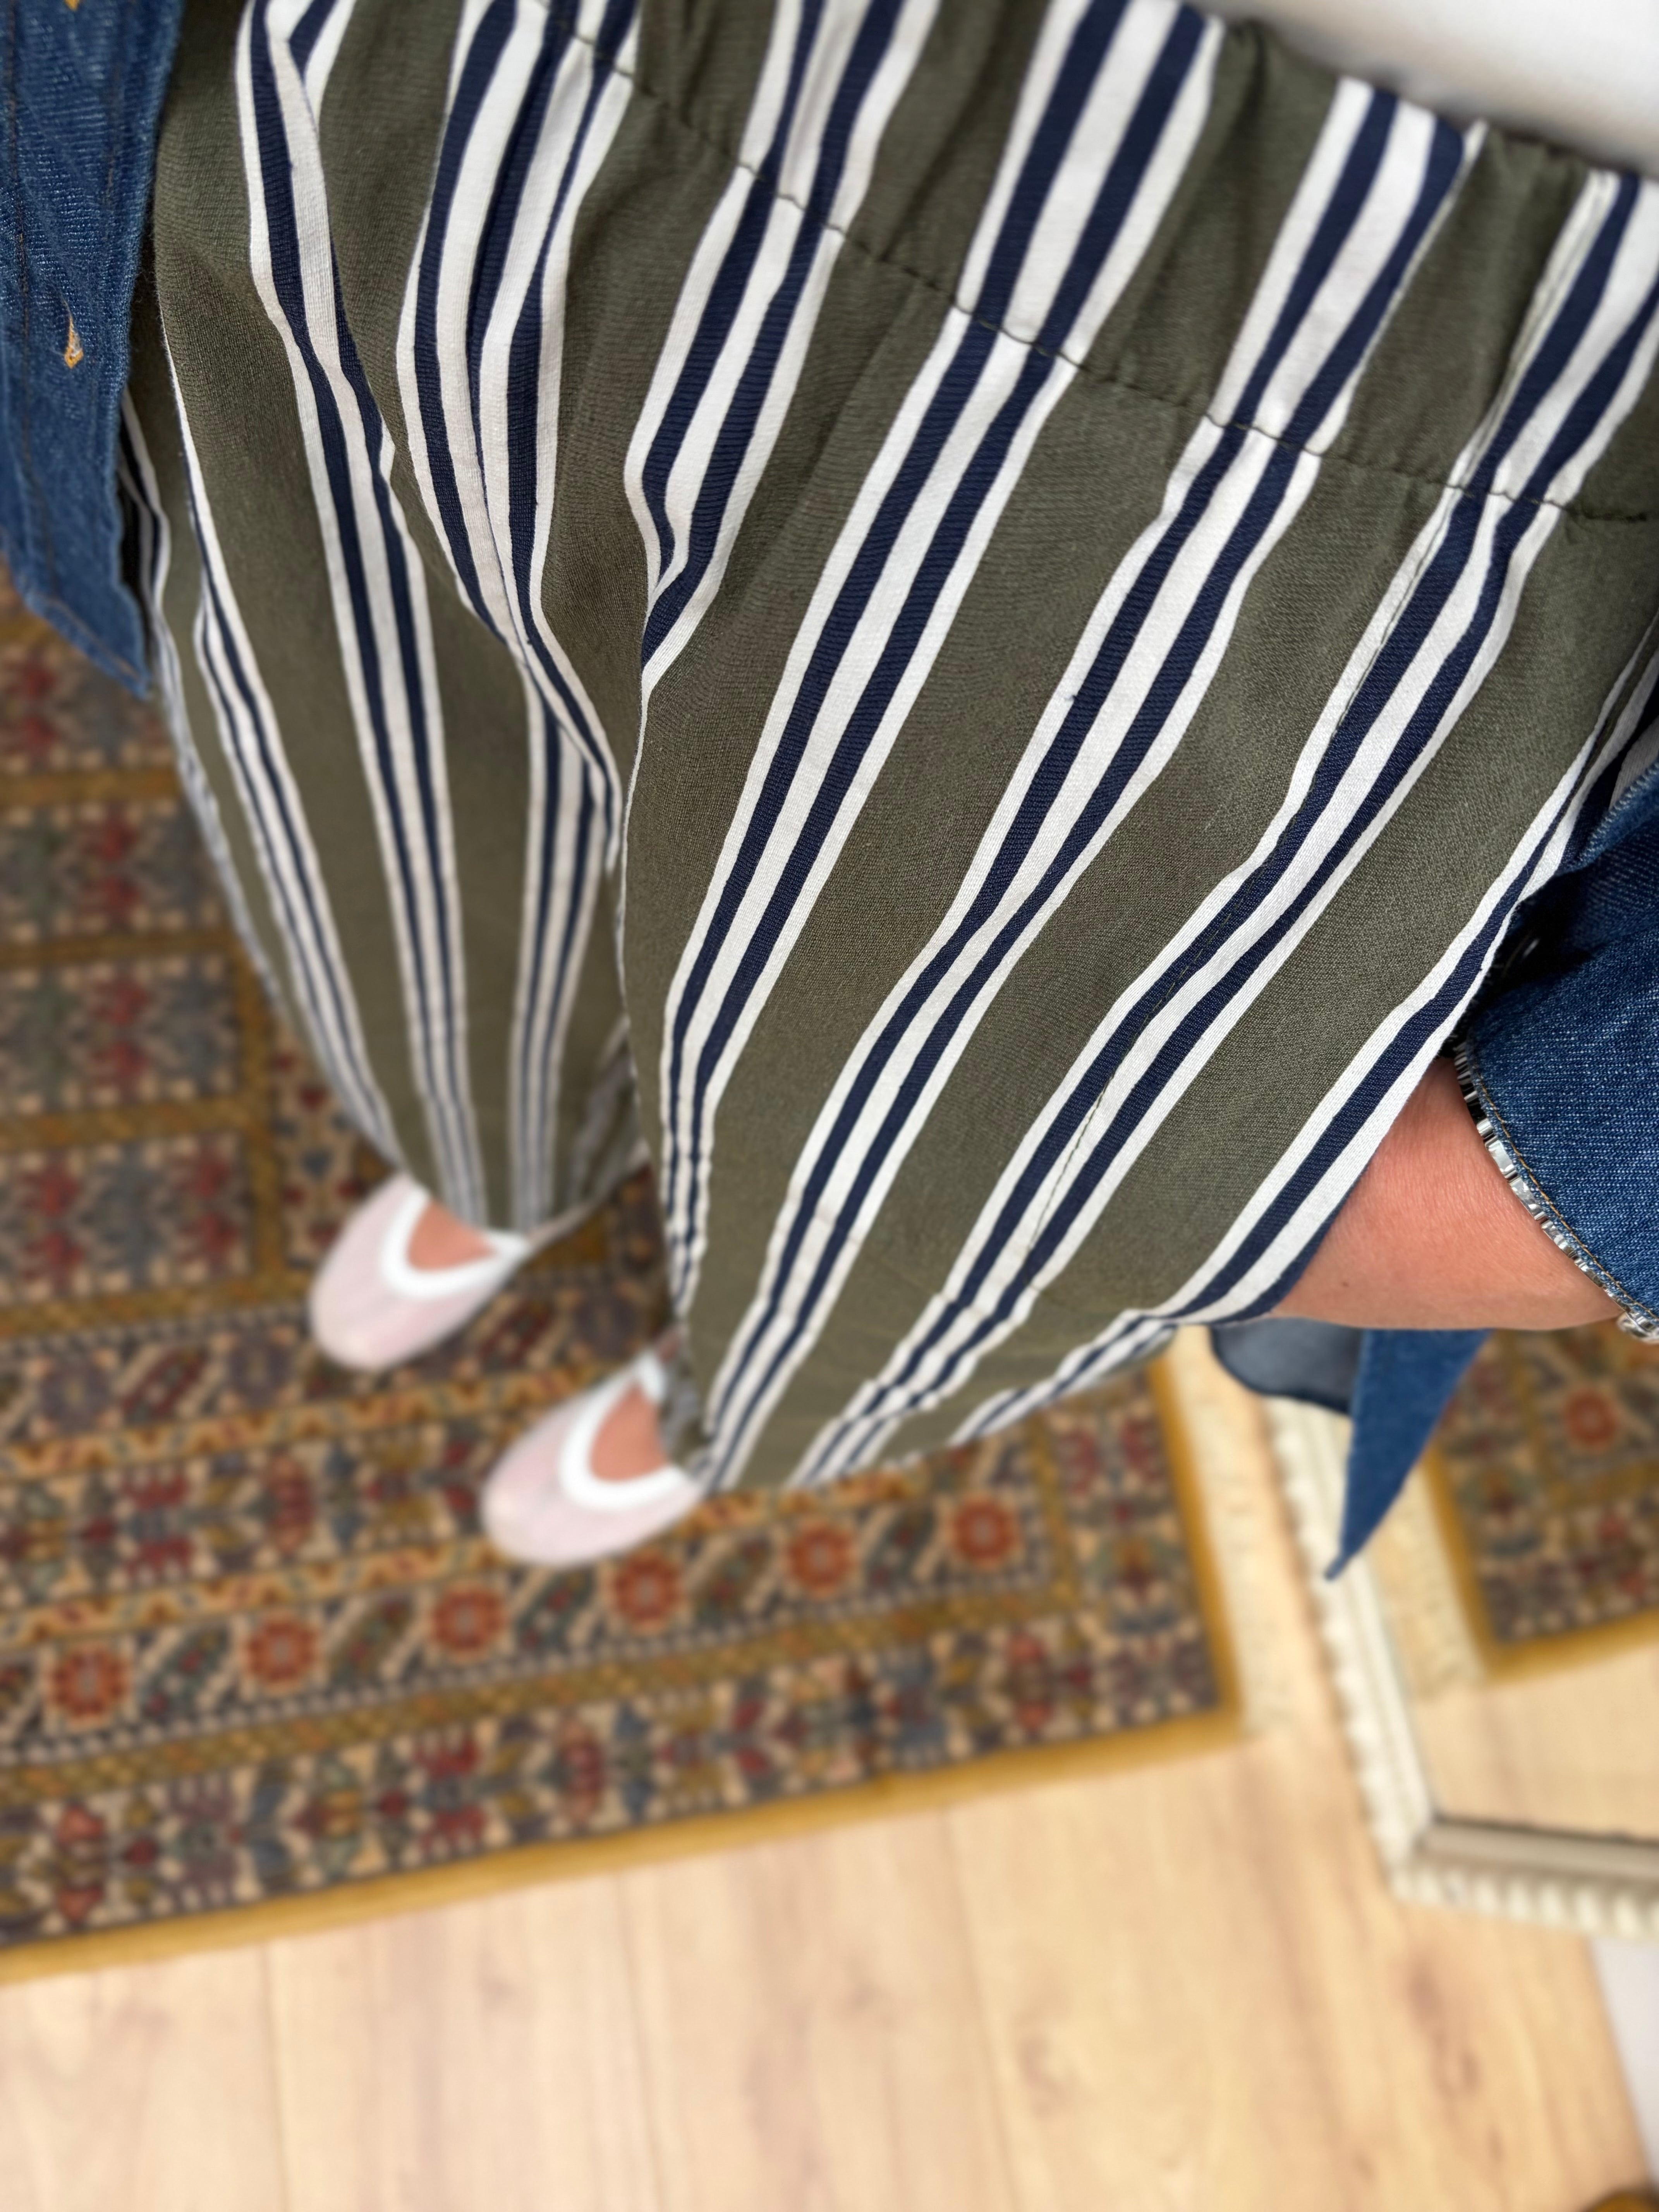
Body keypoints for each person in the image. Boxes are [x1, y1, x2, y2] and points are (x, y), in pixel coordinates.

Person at [5, 0, 1656, 1572]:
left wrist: (1592, 1167)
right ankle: (489, 1138)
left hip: (1419, 403)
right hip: (499, 81)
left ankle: (746, 1393)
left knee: (915, 1157)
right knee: (403, 754)